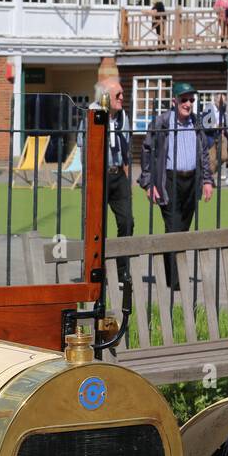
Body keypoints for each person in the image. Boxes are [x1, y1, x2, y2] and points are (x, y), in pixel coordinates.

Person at [140, 81, 214, 290]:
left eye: (191, 99)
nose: (188, 103)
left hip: (191, 182)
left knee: (182, 230)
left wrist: (207, 180)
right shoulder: (162, 122)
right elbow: (147, 152)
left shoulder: (196, 123)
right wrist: (148, 183)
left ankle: (171, 275)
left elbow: (204, 155)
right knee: (173, 229)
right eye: (184, 99)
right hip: (168, 180)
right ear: (175, 100)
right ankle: (175, 281)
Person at [94, 80, 135, 297]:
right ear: (105, 96)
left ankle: (121, 272)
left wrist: (128, 180)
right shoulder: (92, 113)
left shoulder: (123, 117)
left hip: (118, 174)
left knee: (127, 221)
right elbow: (85, 147)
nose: (121, 98)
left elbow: (127, 150)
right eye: (117, 94)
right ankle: (94, 270)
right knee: (96, 227)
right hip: (99, 176)